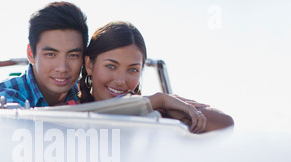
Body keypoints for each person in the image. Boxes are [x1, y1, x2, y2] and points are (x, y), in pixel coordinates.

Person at [80, 21, 234, 134]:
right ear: (89, 65)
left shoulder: (152, 113)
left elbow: (225, 124)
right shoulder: (66, 105)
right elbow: (81, 115)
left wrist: (167, 110)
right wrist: (158, 100)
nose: (121, 80)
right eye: (111, 66)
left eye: (133, 69)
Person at [0, 2, 88, 108]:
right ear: (31, 54)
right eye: (50, 54)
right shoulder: (2, 96)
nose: (62, 68)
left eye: (73, 55)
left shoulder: (87, 93)